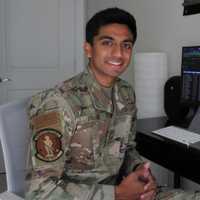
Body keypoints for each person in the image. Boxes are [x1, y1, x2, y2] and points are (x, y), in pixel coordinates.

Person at [25, 7, 200, 200]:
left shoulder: (125, 93)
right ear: (88, 49)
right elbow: (39, 191)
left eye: (126, 45)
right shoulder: (58, 103)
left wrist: (141, 172)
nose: (118, 53)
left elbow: (127, 149)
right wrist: (116, 194)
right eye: (107, 43)